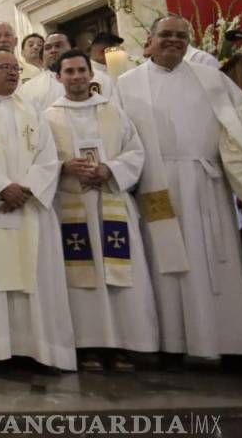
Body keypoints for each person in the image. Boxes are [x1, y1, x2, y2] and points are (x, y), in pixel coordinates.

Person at [114, 15, 242, 366]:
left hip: (207, 183)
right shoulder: (127, 84)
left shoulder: (212, 79)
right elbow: (118, 136)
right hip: (156, 184)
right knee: (166, 263)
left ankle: (229, 342)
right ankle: (173, 342)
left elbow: (239, 128)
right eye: (166, 34)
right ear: (149, 41)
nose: (173, 40)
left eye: (181, 36)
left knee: (217, 261)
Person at [0, 49, 74, 371]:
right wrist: (0, 188)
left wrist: (27, 188)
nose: (12, 73)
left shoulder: (33, 110)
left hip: (29, 206)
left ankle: (41, 349)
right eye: (4, 67)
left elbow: (48, 157)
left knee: (36, 277)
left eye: (15, 68)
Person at [45, 50, 158, 372]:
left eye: (82, 70)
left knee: (121, 276)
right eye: (69, 71)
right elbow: (40, 160)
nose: (77, 76)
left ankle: (125, 344)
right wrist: (64, 167)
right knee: (81, 280)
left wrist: (110, 169)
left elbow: (135, 152)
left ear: (91, 74)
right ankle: (88, 346)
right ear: (58, 77)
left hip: (111, 202)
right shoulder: (48, 117)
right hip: (72, 205)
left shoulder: (113, 111)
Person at [19, 32, 73, 111]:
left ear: (72, 49)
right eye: (48, 48)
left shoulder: (87, 79)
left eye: (58, 46)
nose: (53, 50)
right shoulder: (27, 88)